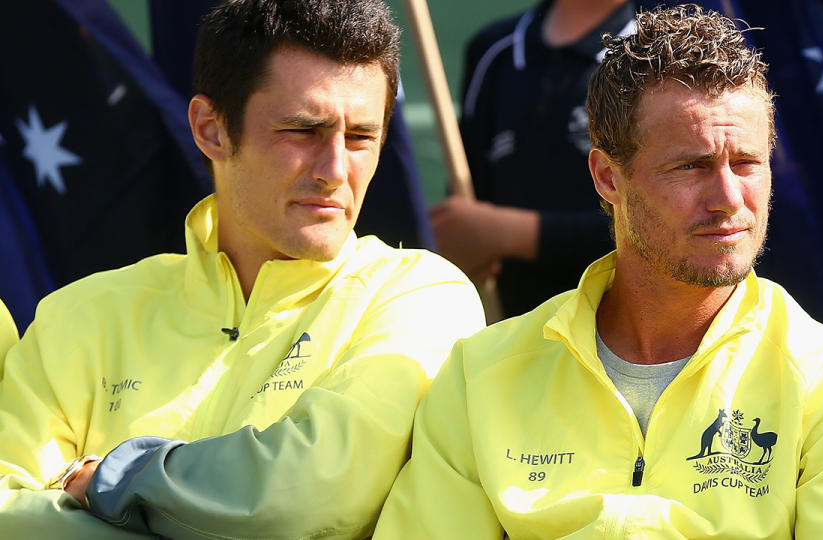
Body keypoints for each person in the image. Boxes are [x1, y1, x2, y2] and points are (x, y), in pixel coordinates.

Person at [373, 5, 823, 538]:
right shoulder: (479, 377)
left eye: (749, 163)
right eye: (692, 165)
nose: (729, 198)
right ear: (608, 177)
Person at [0, 0, 485, 538]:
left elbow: (305, 497)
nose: (334, 170)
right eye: (303, 130)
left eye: (360, 137)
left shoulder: (422, 296)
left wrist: (108, 481)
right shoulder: (77, 316)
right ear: (210, 129)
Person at [431, 0, 635, 317]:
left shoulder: (654, 55)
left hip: (625, 332)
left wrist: (508, 233)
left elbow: (662, 225)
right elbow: (467, 216)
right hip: (510, 332)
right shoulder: (494, 51)